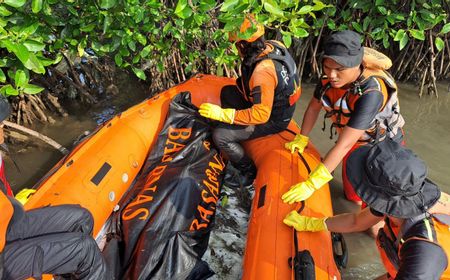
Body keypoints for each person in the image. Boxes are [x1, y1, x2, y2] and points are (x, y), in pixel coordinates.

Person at [283, 139, 450, 279]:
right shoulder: (402, 197)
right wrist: (313, 223)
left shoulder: (424, 251)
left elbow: (420, 269)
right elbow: (356, 222)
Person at [282, 30, 405, 205]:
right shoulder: (328, 79)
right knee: (351, 196)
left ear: (357, 65)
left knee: (369, 206)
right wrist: (303, 136)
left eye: (340, 69)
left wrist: (311, 184)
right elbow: (314, 107)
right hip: (353, 142)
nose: (332, 75)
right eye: (327, 67)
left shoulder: (372, 93)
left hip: (381, 147)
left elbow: (344, 144)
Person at [0, 95, 108, 280]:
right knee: (85, 250)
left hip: (8, 224)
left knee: (81, 218)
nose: (3, 129)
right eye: (1, 125)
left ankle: (67, 268)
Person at [198, 14, 301, 186]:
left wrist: (225, 115)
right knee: (228, 92)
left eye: (236, 44)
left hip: (273, 119)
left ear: (243, 44)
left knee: (221, 136)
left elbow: (261, 115)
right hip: (272, 103)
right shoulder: (275, 46)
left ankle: (247, 170)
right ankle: (236, 130)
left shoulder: (263, 72)